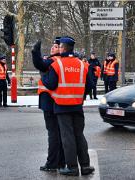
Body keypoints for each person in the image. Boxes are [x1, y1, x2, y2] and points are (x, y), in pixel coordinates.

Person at [41, 36, 95, 176]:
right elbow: (90, 85)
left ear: (63, 48)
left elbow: (51, 84)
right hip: (77, 106)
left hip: (62, 106)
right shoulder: (82, 64)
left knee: (67, 137)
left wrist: (43, 75)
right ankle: (85, 166)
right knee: (79, 135)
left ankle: (72, 167)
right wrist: (79, 96)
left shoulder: (57, 65)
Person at [32, 37, 65, 172]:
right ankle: (61, 162)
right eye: (52, 46)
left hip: (50, 101)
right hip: (60, 101)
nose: (53, 48)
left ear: (62, 49)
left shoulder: (53, 61)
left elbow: (39, 64)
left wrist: (35, 51)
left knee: (53, 134)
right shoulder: (63, 61)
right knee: (60, 134)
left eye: (56, 46)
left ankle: (52, 163)